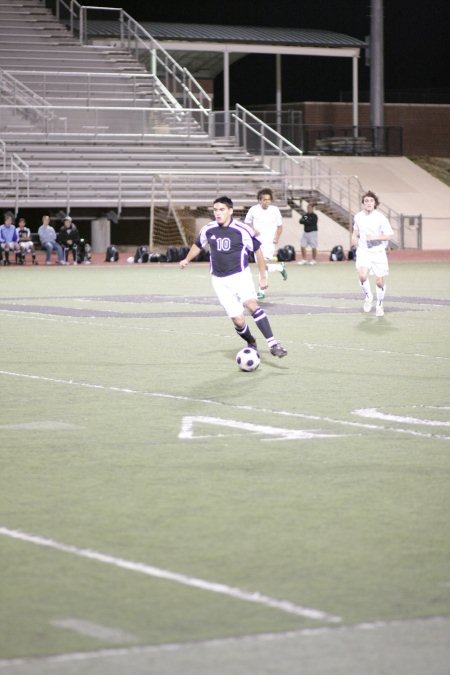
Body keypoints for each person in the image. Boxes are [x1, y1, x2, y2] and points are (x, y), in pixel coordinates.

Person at [179, 196, 287, 358]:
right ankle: (251, 341)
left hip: (240, 276)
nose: (217, 213)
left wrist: (263, 277)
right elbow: (198, 244)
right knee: (238, 321)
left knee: (252, 305)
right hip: (219, 281)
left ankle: (273, 344)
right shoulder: (208, 229)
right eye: (215, 210)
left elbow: (258, 251)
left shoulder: (242, 229)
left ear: (230, 211)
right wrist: (187, 259)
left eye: (222, 209)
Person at [352, 190, 394, 317]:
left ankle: (379, 304)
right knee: (362, 276)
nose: (369, 203)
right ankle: (368, 296)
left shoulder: (381, 218)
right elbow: (355, 231)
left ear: (375, 203)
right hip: (364, 250)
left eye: (371, 201)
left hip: (378, 252)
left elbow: (389, 236)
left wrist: (375, 237)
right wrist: (354, 238)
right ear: (363, 203)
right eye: (366, 201)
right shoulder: (358, 216)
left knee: (379, 282)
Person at [244, 188, 287, 300]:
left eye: (268, 200)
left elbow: (280, 226)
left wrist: (276, 238)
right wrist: (253, 229)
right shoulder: (253, 209)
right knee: (261, 266)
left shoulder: (275, 210)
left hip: (268, 242)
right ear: (259, 200)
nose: (266, 202)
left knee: (261, 266)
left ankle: (261, 291)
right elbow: (247, 223)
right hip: (257, 242)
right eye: (264, 200)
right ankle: (279, 268)